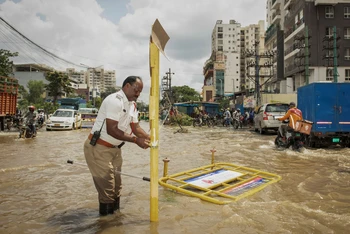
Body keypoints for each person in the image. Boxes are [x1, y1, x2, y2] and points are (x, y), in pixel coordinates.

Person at [83, 76, 150, 216]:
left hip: (115, 150)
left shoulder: (132, 105)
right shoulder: (115, 101)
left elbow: (135, 127)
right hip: (99, 149)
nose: (138, 94)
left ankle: (116, 221)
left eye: (140, 92)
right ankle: (106, 225)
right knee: (107, 190)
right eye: (136, 90)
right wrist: (136, 140)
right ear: (126, 86)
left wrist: (149, 137)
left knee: (117, 187)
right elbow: (112, 130)